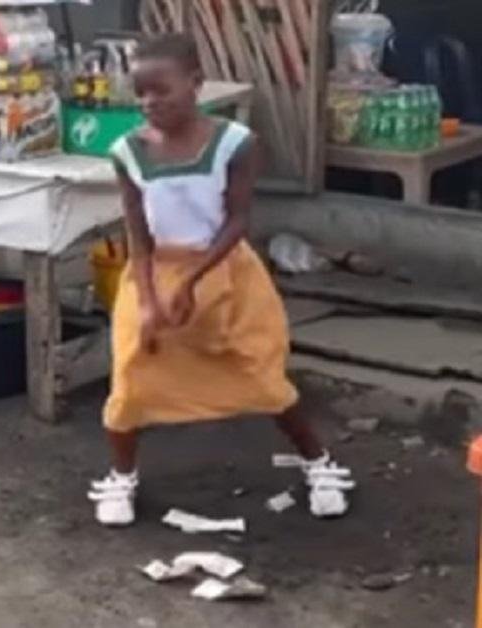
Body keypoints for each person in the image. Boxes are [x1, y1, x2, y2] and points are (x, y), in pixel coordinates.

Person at [87, 35, 355, 527]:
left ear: (195, 84)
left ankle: (319, 463)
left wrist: (192, 280)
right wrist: (148, 299)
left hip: (224, 269)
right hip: (154, 271)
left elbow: (237, 222)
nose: (149, 103)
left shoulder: (236, 144)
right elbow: (138, 235)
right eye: (140, 93)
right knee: (130, 375)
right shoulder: (126, 151)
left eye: (161, 91)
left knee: (260, 374)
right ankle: (121, 477)